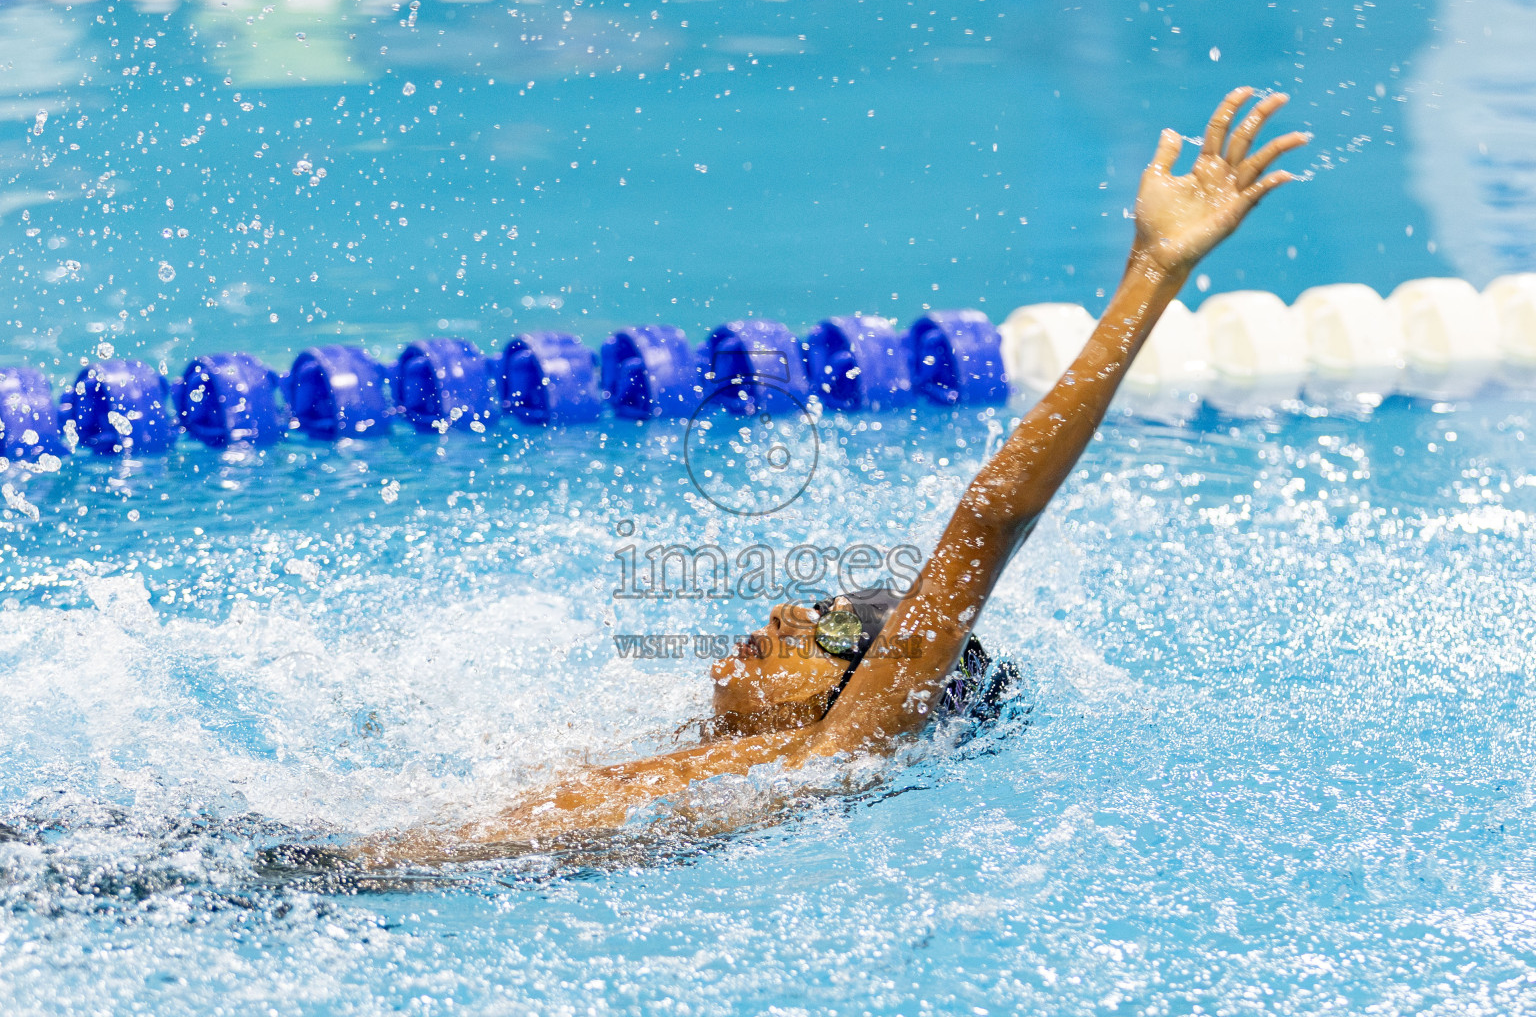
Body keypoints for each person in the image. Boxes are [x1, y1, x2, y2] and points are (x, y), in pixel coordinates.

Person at [353, 87, 1309, 868]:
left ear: (874, 690)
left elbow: (988, 523)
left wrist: (1151, 269)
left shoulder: (837, 752)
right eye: (813, 608)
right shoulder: (698, 759)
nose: (786, 617)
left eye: (834, 630)